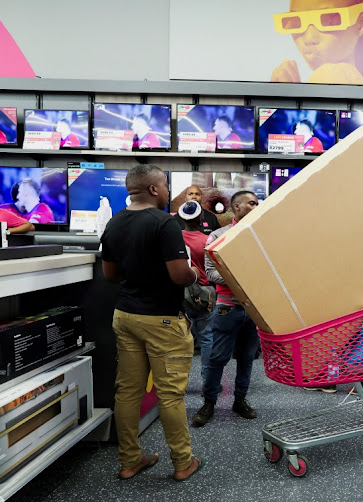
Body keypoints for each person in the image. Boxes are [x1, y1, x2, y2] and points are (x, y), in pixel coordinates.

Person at [100, 164, 204, 482]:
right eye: (167, 187)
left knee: (128, 391)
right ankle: (183, 462)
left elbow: (111, 275)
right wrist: (194, 274)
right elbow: (178, 275)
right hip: (161, 319)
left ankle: (130, 460)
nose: (170, 193)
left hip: (125, 316)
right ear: (155, 189)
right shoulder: (163, 223)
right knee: (170, 394)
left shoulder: (114, 222)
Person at [193, 190, 261, 426]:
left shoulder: (261, 236)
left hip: (254, 308)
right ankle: (209, 402)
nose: (256, 207)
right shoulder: (218, 236)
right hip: (226, 307)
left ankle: (240, 400)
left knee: (247, 357)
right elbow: (211, 273)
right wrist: (242, 278)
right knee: (217, 357)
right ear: (237, 207)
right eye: (251, 203)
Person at [271, 0, 363, 85]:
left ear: (362, 23)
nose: (309, 39)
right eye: (295, 22)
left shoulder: (330, 74)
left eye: (329, 21)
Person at [179, 200, 215, 368]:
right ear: (201, 217)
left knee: (181, 338)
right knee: (207, 337)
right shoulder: (208, 240)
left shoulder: (175, 238)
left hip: (181, 293)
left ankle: (181, 382)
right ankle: (207, 381)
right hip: (204, 295)